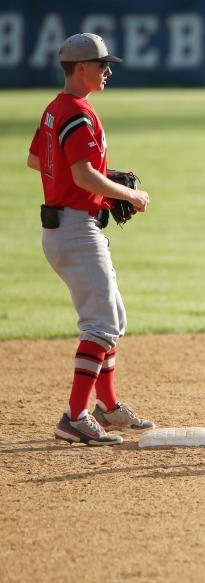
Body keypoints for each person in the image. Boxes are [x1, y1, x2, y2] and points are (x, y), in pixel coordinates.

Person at [27, 33, 154, 445]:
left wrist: (96, 182)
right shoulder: (77, 112)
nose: (108, 71)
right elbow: (81, 174)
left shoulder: (56, 109)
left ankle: (108, 407)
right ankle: (75, 415)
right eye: (102, 65)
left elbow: (37, 160)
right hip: (75, 229)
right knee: (100, 323)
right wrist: (127, 193)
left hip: (70, 226)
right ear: (80, 68)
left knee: (113, 317)